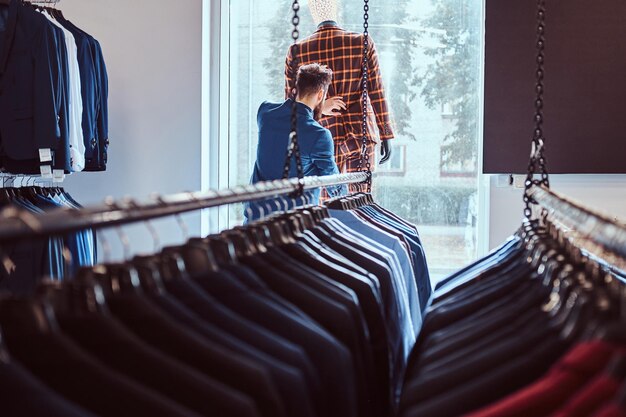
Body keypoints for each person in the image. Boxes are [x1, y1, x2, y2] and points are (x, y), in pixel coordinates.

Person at [284, 0, 395, 192]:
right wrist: (386, 133)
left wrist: (321, 107)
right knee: (360, 204)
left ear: (312, 12)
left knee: (329, 206)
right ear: (337, 9)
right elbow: (376, 91)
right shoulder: (361, 42)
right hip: (359, 133)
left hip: (323, 134)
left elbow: (291, 103)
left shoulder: (297, 51)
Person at [244, 63, 346, 223]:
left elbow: (292, 123)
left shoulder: (265, 113)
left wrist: (315, 111)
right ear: (320, 95)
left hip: (255, 221)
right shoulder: (320, 136)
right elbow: (335, 186)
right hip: (293, 228)